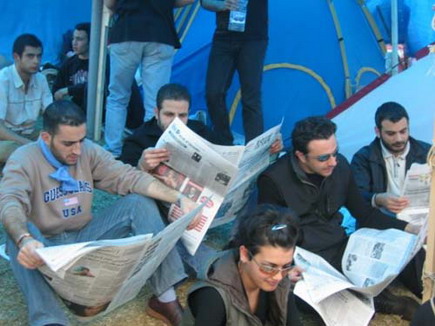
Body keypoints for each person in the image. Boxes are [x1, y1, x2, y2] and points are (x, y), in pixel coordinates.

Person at [0, 100, 201, 326]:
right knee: (16, 234)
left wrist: (180, 198)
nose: (77, 150)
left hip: (83, 237)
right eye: (68, 143)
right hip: (45, 247)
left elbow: (129, 176)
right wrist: (25, 239)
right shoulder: (24, 159)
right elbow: (10, 202)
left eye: (81, 140)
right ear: (46, 138)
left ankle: (165, 298)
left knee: (140, 202)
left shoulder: (87, 151)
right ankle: (48, 320)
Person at [257, 116, 424, 320]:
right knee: (328, 301)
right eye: (323, 158)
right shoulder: (274, 180)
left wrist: (409, 229)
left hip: (341, 244)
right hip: (303, 254)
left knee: (409, 247)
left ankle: (421, 295)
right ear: (301, 156)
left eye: (335, 153)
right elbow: (268, 236)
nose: (333, 162)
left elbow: (364, 213)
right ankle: (386, 303)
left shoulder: (340, 166)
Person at [183, 204, 303, 326]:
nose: (278, 277)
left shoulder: (279, 281)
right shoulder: (213, 297)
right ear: (245, 254)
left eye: (286, 266)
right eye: (268, 267)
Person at [103, 0, 194, 158]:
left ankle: (113, 151)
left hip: (127, 30)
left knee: (118, 97)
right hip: (160, 32)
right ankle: (151, 151)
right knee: (155, 102)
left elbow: (109, 3)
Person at [119, 83, 283, 170]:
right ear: (156, 113)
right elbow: (123, 178)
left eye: (182, 115)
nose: (176, 121)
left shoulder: (199, 130)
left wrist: (267, 150)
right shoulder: (137, 140)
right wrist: (141, 166)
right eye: (169, 114)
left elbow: (230, 157)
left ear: (188, 112)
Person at [52, 22, 144, 130]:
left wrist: (69, 90)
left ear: (91, 41)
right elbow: (56, 90)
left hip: (105, 116)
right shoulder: (68, 64)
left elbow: (99, 85)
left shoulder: (106, 63)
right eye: (73, 38)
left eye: (80, 39)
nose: (74, 43)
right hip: (77, 116)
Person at [201, 0, 269, 145]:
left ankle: (255, 150)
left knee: (251, 97)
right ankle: (224, 142)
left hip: (254, 38)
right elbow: (205, 2)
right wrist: (221, 4)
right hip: (223, 36)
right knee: (213, 93)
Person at [351, 102, 431, 216]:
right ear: (378, 132)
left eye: (403, 131)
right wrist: (377, 199)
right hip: (381, 221)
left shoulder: (427, 153)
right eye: (391, 134)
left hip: (421, 217)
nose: (399, 139)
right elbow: (355, 197)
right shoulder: (363, 158)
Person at [0, 34, 52, 165]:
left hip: (30, 135)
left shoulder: (41, 79)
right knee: (9, 150)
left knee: (62, 141)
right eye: (30, 56)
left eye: (39, 56)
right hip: (6, 139)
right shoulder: (3, 80)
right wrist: (29, 144)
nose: (36, 61)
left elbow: (52, 114)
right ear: (16, 57)